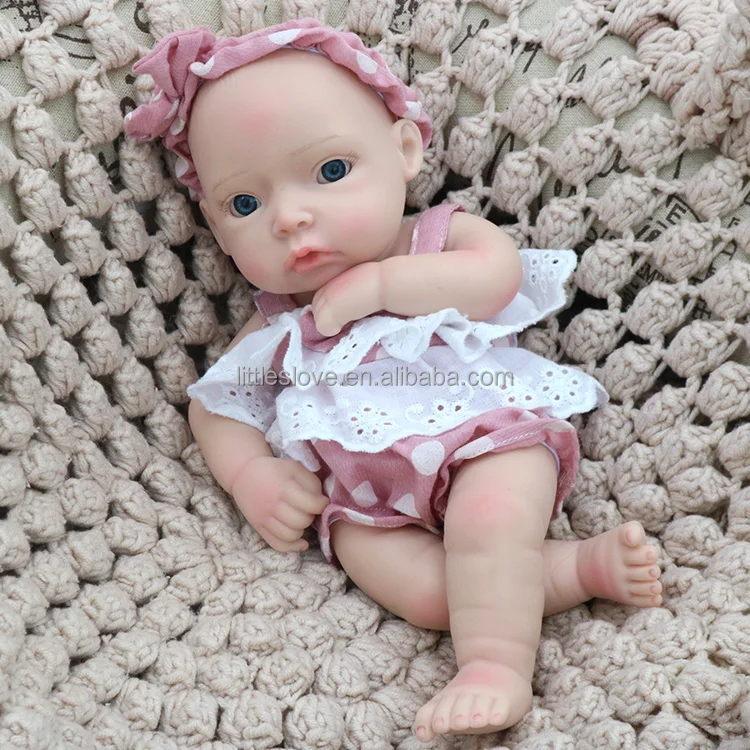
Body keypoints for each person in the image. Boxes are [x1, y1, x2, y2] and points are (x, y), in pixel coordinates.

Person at [125, 18, 663, 742]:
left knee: (490, 521)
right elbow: (217, 406)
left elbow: (496, 277)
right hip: (367, 498)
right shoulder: (283, 322)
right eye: (245, 204)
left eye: (330, 171)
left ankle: (494, 667)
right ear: (219, 230)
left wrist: (384, 285)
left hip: (482, 440)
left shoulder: (437, 239)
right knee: (431, 596)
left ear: (404, 150)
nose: (292, 218)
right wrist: (251, 476)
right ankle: (575, 572)